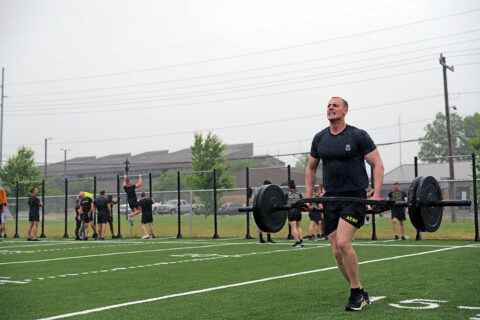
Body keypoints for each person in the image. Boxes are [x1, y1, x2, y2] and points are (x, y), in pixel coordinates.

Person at [305, 96, 384, 311]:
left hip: (354, 197)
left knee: (342, 242)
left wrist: (376, 194)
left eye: (335, 105)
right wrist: (308, 196)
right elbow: (311, 168)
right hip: (331, 198)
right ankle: (359, 291)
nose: (330, 108)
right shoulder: (320, 138)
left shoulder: (358, 135)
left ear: (345, 111)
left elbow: (377, 164)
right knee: (336, 251)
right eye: (328, 106)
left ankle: (355, 294)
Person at [287, 180, 303, 248]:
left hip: (291, 212)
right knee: (298, 226)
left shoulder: (287, 194)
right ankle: (301, 241)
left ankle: (297, 242)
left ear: (289, 187)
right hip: (298, 212)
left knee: (293, 227)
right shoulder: (299, 194)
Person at [258, 180, 275, 244]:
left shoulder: (260, 190)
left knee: (260, 224)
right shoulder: (267, 191)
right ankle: (268, 239)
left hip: (259, 209)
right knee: (267, 223)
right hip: (265, 210)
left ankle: (261, 239)